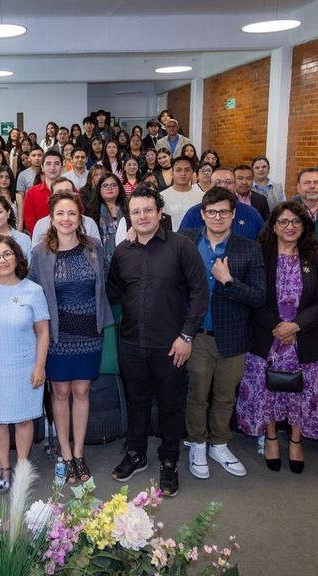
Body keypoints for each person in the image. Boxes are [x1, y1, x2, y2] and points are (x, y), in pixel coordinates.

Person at [107, 185, 208, 497]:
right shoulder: (122, 252)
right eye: (135, 212)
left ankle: (169, 460)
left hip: (171, 346)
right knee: (136, 403)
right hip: (131, 343)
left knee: (170, 406)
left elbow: (199, 293)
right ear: (129, 217)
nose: (142, 216)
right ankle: (136, 453)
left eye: (148, 210)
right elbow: (112, 291)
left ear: (159, 212)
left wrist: (186, 336)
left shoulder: (181, 247)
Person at [178, 188, 266, 481]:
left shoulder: (249, 248)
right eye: (212, 212)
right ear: (202, 214)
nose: (218, 217)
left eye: (224, 212)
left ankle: (219, 443)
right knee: (197, 393)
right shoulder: (185, 240)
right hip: (198, 334)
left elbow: (259, 296)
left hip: (233, 336)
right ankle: (197, 443)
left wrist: (229, 281)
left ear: (233, 214)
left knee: (226, 396)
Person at [238, 201, 318, 474]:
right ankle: (270, 438)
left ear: (304, 226)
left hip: (304, 338)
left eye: (296, 222)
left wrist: (295, 327)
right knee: (267, 389)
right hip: (267, 336)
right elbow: (255, 297)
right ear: (273, 226)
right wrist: (278, 327)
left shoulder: (315, 255)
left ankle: (295, 440)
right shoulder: (260, 254)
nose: (290, 227)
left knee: (301, 391)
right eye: (284, 222)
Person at [28, 192, 113, 484]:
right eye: (60, 214)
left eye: (72, 213)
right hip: (57, 337)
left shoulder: (94, 247)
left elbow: (105, 282)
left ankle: (79, 453)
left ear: (80, 217)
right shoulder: (40, 253)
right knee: (61, 392)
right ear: (51, 219)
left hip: (89, 334)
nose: (66, 219)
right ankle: (64, 452)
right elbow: (34, 293)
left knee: (82, 391)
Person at [0, 235, 50, 492]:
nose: (2, 260)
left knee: (23, 419)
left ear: (17, 257)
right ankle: (4, 465)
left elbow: (43, 332)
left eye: (7, 254)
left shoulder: (33, 291)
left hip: (24, 365)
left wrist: (40, 366)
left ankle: (22, 466)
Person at [84, 173, 126, 264]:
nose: (109, 188)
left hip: (127, 256)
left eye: (113, 185)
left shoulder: (128, 208)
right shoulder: (91, 211)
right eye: (105, 186)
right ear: (99, 189)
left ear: (119, 188)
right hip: (100, 258)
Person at [160, 155, 203, 230]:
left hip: (196, 236)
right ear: (172, 173)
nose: (183, 173)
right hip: (171, 236)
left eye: (187, 170)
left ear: (192, 173)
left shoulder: (202, 196)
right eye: (178, 170)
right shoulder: (162, 197)